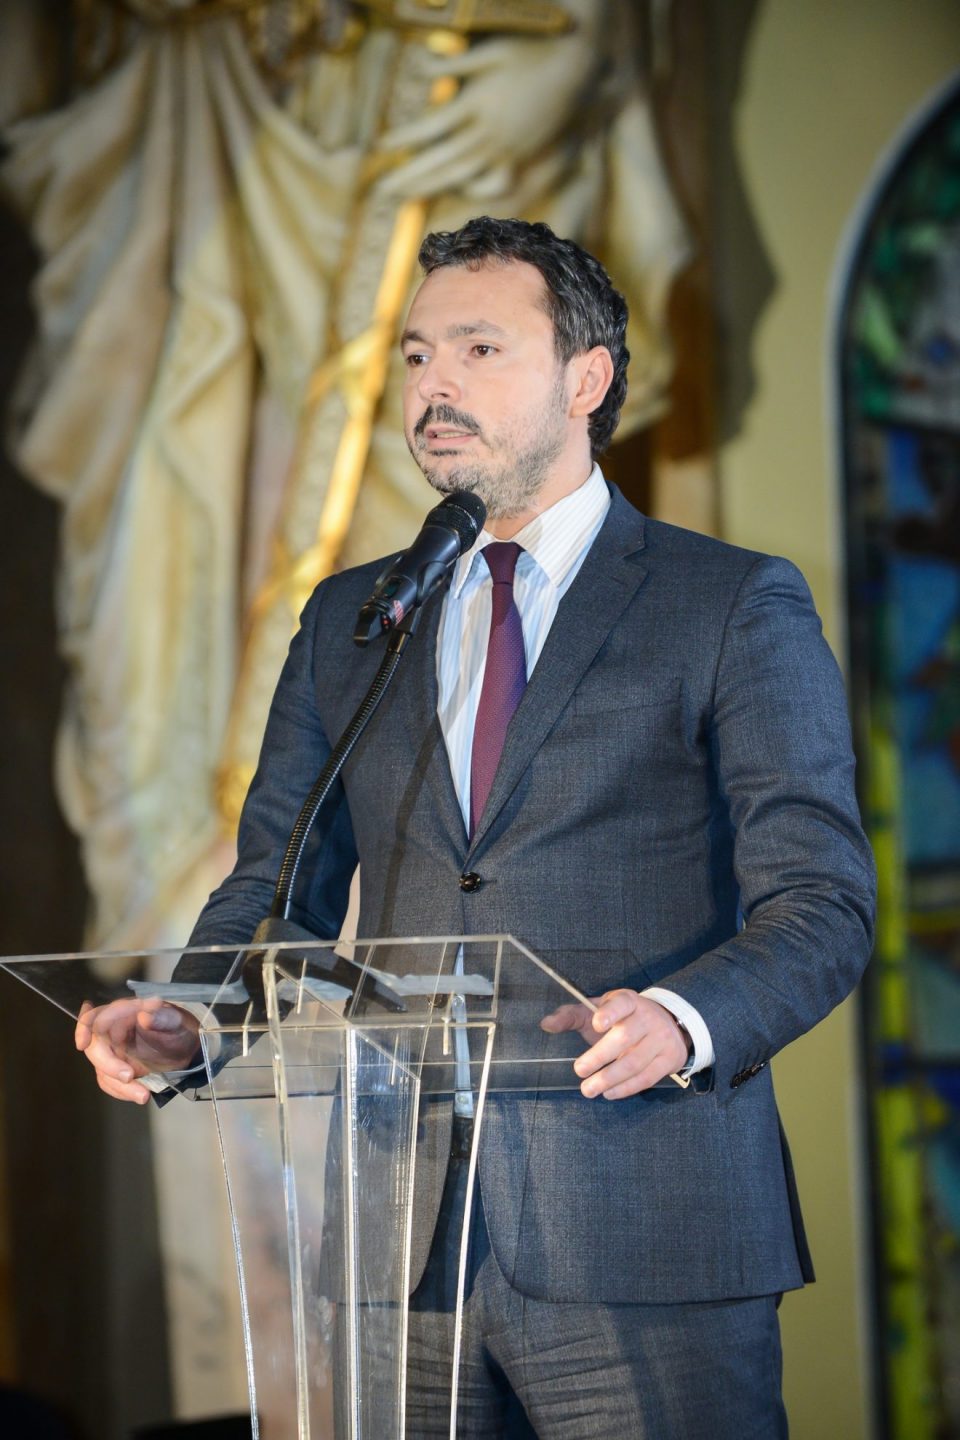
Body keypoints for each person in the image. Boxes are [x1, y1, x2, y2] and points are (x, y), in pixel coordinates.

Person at [77, 216, 876, 1438]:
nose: (432, 385)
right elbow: (275, 889)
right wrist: (193, 1019)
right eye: (415, 355)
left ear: (586, 379)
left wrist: (683, 1019)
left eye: (478, 348)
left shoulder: (727, 603)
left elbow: (823, 904)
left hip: (647, 1229)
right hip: (400, 1243)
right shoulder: (356, 619)